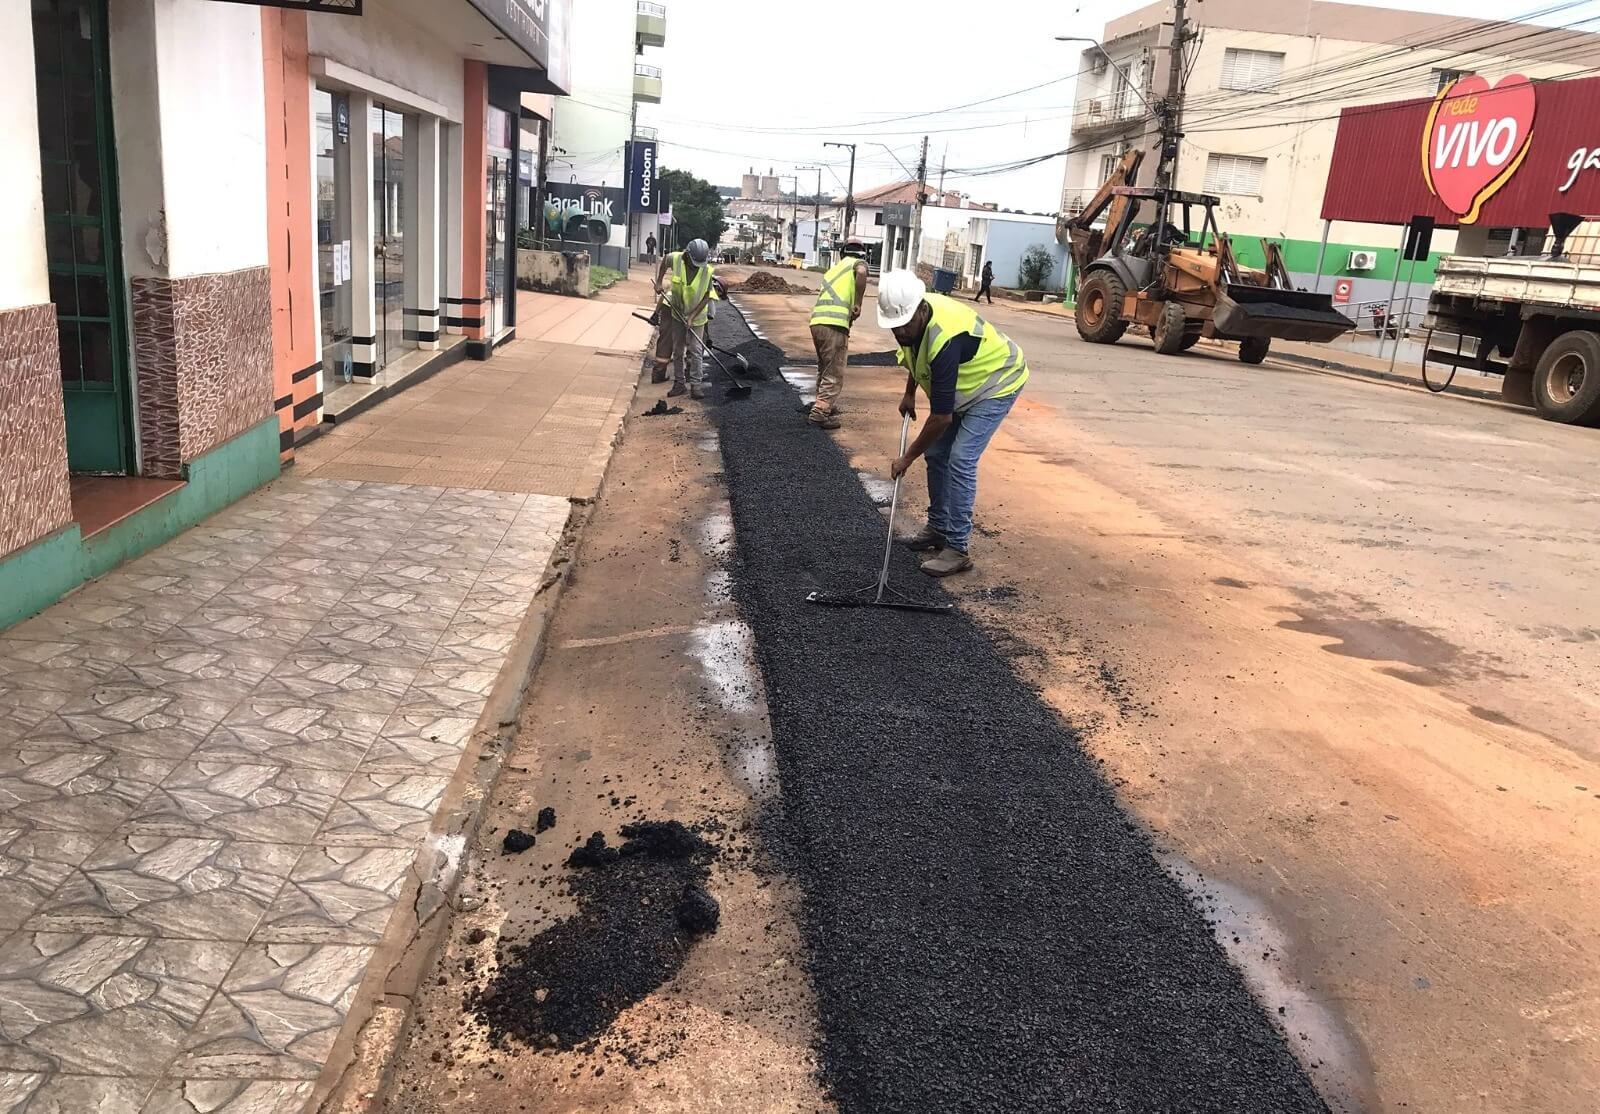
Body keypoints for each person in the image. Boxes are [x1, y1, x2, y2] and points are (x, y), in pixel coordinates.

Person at [877, 270, 1029, 578]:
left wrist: (907, 457)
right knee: (936, 454)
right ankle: (938, 528)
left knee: (961, 458)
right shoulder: (910, 321)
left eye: (904, 326)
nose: (900, 333)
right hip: (965, 385)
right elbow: (914, 355)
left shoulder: (945, 338)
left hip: (996, 383)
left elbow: (941, 417)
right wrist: (909, 394)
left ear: (920, 310)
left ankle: (957, 548)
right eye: (895, 328)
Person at [806, 239, 870, 430]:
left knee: (825, 367)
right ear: (861, 253)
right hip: (835, 324)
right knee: (834, 371)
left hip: (817, 322)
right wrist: (858, 303)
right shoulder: (857, 264)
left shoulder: (834, 269)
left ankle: (822, 403)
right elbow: (862, 273)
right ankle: (819, 414)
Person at [652, 238, 718, 399]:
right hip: (677, 312)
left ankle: (696, 385)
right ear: (687, 255)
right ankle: (679, 383)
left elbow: (706, 297)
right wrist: (659, 281)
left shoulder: (707, 270)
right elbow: (664, 262)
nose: (697, 267)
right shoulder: (675, 258)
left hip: (697, 316)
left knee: (695, 351)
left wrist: (692, 317)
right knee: (678, 350)